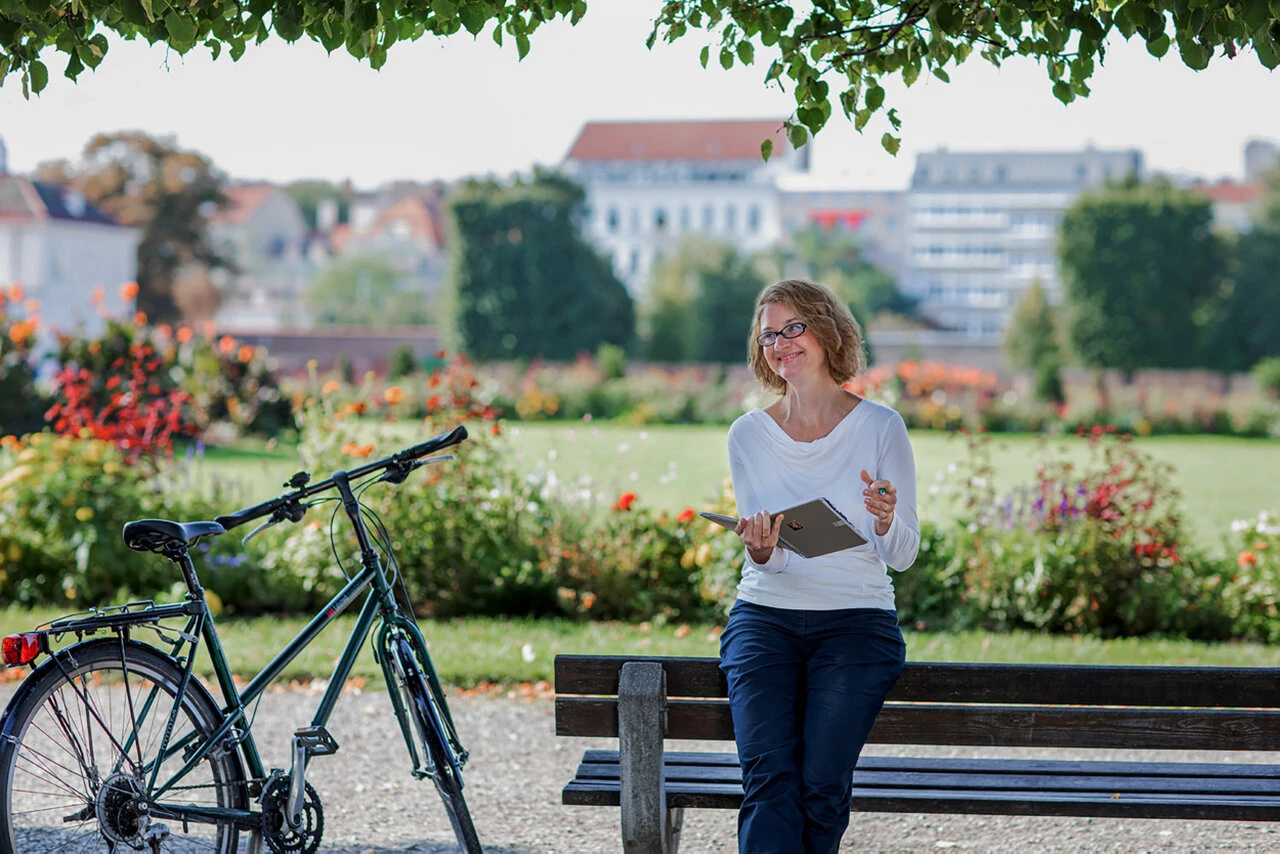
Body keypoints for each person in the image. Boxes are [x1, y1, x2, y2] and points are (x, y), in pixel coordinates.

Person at [718, 278, 919, 853]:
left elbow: (902, 555)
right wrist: (760, 548)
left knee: (820, 786)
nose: (780, 344)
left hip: (856, 623)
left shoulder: (881, 427)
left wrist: (883, 521)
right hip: (765, 620)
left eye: (793, 328)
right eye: (768, 336)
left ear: (827, 330)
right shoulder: (749, 435)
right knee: (769, 781)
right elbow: (771, 562)